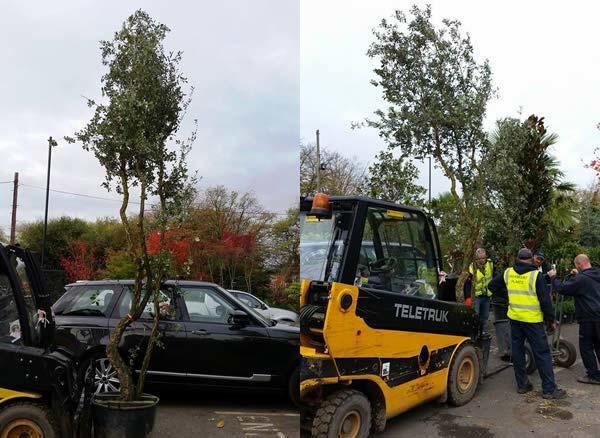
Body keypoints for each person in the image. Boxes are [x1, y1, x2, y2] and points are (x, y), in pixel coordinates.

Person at [488, 248, 566, 399]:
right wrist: (551, 320)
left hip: (515, 319)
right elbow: (545, 301)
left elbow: (491, 287)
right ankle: (549, 389)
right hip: (533, 321)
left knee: (517, 352)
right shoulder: (536, 275)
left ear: (517, 258)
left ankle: (522, 385)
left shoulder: (508, 272)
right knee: (542, 353)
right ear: (531, 259)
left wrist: (508, 298)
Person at [548, 254, 600, 384]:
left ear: (578, 265)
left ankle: (593, 375)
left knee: (586, 346)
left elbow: (562, 288)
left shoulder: (581, 279)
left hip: (589, 318)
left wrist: (553, 277)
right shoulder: (596, 274)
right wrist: (578, 275)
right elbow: (587, 284)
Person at [466, 248, 493, 335]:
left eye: (483, 258)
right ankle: (474, 333)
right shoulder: (471, 267)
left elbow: (493, 277)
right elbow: (467, 283)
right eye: (480, 258)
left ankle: (483, 333)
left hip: (487, 295)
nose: (482, 260)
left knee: (485, 316)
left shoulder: (490, 264)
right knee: (475, 315)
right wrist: (468, 297)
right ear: (476, 258)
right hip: (476, 296)